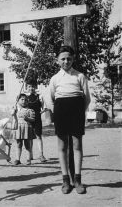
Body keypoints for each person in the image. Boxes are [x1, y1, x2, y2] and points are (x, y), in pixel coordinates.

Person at [48, 45, 90, 194]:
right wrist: (57, 113)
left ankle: (77, 179)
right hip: (61, 112)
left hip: (76, 112)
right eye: (63, 59)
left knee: (77, 145)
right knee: (62, 147)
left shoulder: (80, 76)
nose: (66, 61)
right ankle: (65, 180)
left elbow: (87, 99)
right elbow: (51, 99)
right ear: (57, 60)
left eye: (69, 59)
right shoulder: (54, 78)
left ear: (73, 59)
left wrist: (79, 112)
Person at [13, 93, 36, 165]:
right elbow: (13, 116)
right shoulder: (16, 109)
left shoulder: (29, 110)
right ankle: (17, 159)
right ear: (18, 100)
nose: (24, 101)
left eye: (25, 100)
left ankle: (28, 159)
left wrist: (27, 118)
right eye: (22, 99)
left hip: (26, 128)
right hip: (18, 128)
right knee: (18, 144)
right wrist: (13, 112)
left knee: (27, 144)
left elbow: (33, 119)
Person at [27, 83, 47, 163]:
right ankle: (30, 155)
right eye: (29, 86)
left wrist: (38, 114)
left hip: (37, 119)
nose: (31, 88)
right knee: (29, 137)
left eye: (32, 86)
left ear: (35, 87)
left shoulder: (39, 96)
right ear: (27, 88)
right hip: (28, 119)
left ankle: (41, 155)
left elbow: (44, 107)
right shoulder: (25, 98)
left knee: (38, 136)